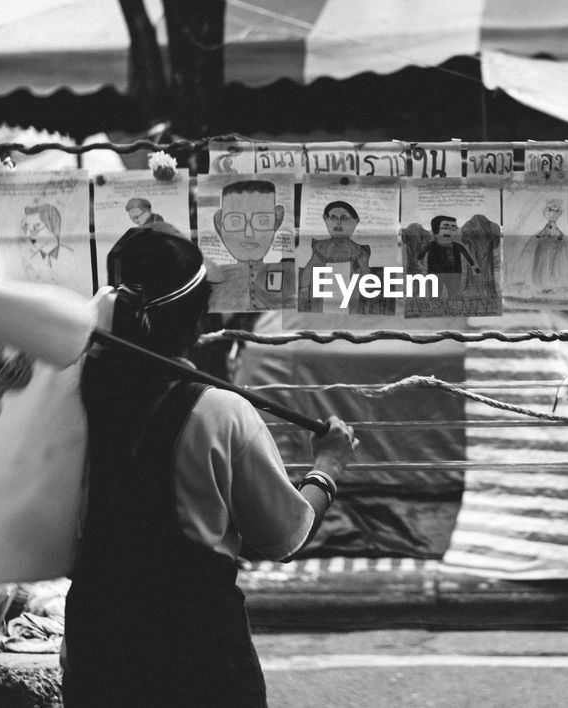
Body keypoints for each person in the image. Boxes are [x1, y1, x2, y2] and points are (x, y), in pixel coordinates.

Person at [62, 225, 357, 706]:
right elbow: (284, 535)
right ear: (196, 320)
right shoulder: (220, 412)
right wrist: (327, 465)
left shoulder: (68, 400)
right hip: (197, 657)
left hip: (99, 644)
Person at [210, 179, 295, 312]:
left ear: (277, 220)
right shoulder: (213, 283)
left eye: (262, 221)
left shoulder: (290, 277)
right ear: (220, 224)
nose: (248, 234)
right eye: (235, 222)